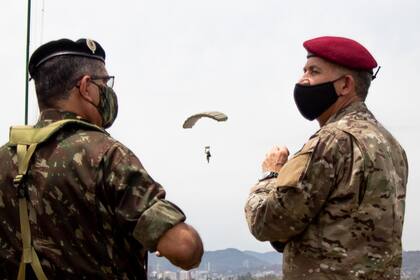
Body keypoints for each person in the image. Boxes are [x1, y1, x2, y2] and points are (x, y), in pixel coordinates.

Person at [0, 38, 203, 279]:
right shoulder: (105, 155)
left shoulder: (4, 159)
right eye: (105, 83)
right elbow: (184, 249)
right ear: (86, 87)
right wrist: (182, 236)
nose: (108, 92)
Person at [244, 36, 408, 280]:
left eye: (314, 71)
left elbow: (267, 223)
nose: (303, 79)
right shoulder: (392, 145)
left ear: (345, 85)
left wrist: (271, 175)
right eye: (304, 70)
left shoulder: (331, 140)